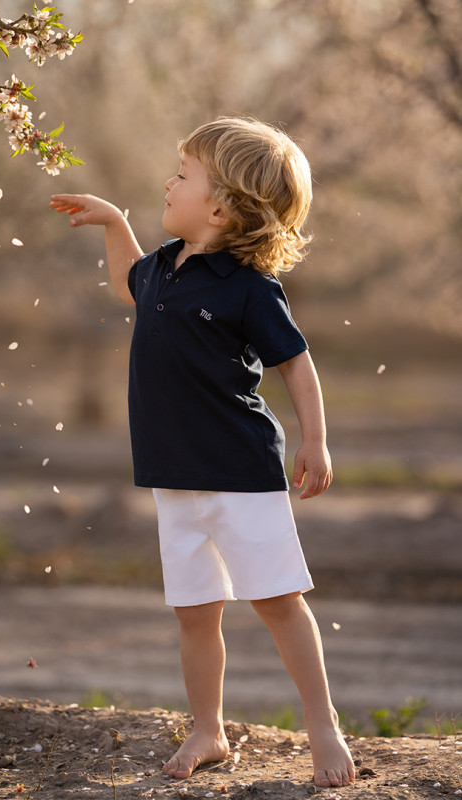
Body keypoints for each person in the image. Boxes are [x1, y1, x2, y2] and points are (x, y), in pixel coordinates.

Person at [50, 116, 355, 788]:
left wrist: (315, 439)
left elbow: (296, 366)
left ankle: (322, 725)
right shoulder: (162, 266)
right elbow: (128, 283)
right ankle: (207, 729)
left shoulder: (247, 287)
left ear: (218, 207)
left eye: (183, 175)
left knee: (277, 601)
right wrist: (113, 224)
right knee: (194, 613)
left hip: (239, 473)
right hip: (175, 477)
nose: (169, 180)